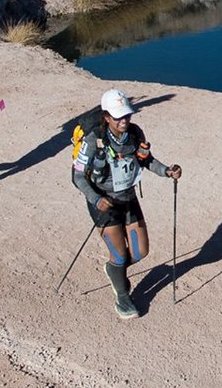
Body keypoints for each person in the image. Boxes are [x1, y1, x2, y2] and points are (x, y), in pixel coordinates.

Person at [72, 89, 181, 319]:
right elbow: (78, 176)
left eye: (127, 115)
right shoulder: (93, 140)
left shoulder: (135, 133)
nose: (124, 120)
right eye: (118, 116)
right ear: (106, 117)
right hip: (105, 203)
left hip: (128, 198)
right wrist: (96, 199)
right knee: (120, 255)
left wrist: (166, 171)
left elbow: (146, 160)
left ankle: (114, 271)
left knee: (140, 252)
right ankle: (123, 297)